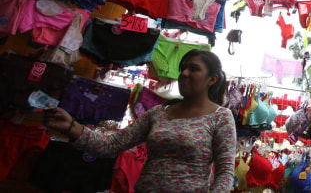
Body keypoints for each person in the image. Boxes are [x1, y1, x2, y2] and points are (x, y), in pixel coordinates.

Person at [43, 49, 236, 193]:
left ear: (212, 79)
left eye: (193, 69)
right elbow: (111, 145)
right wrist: (71, 126)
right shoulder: (160, 113)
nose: (184, 73)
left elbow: (225, 173)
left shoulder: (220, 117)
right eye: (183, 68)